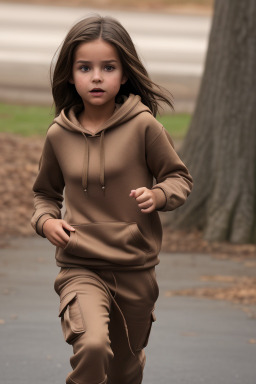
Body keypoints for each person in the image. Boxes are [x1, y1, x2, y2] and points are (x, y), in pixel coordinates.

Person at [31, 15, 193, 384]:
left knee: (125, 371)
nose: (97, 77)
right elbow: (44, 194)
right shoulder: (58, 134)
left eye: (108, 67)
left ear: (124, 73)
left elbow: (179, 177)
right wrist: (46, 221)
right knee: (92, 347)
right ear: (71, 75)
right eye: (85, 67)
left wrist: (159, 194)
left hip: (135, 268)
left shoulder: (144, 126)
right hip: (80, 263)